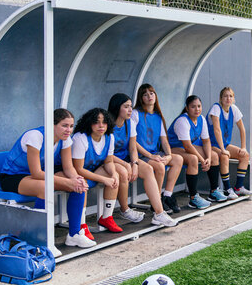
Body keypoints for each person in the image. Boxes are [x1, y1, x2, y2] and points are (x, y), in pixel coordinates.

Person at [0, 109, 94, 249]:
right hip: (13, 176)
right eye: (64, 125)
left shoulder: (65, 139)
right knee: (46, 187)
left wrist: (77, 179)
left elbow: (68, 168)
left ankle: (74, 235)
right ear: (52, 125)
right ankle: (37, 238)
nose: (68, 130)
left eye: (71, 126)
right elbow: (36, 173)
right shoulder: (35, 136)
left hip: (40, 176)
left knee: (79, 185)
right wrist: (68, 182)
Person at [108, 93, 178, 227]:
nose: (130, 110)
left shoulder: (129, 123)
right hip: (111, 160)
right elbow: (106, 153)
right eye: (126, 107)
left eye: (130, 106)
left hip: (127, 159)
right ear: (117, 108)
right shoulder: (108, 125)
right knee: (123, 171)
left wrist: (134, 164)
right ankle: (125, 209)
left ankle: (159, 213)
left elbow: (133, 148)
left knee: (148, 169)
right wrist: (126, 164)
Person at [167, 95, 227, 209]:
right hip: (173, 148)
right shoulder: (182, 121)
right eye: (193, 107)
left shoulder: (201, 119)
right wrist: (202, 160)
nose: (197, 109)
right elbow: (188, 146)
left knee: (214, 156)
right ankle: (193, 198)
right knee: (193, 159)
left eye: (199, 106)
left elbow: (206, 141)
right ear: (187, 108)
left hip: (186, 147)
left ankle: (214, 192)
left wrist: (208, 158)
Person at [132, 84, 184, 214]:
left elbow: (164, 139)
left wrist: (169, 155)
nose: (149, 96)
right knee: (160, 167)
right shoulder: (136, 113)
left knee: (178, 159)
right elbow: (131, 141)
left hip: (154, 154)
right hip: (140, 155)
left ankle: (167, 195)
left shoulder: (158, 116)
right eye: (145, 94)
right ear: (141, 98)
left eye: (151, 93)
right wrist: (150, 156)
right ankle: (157, 201)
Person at [72, 108, 122, 238]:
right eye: (97, 122)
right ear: (89, 123)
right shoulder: (80, 138)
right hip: (74, 172)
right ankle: (82, 225)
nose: (101, 126)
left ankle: (107, 217)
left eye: (104, 122)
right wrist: (104, 179)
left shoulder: (109, 136)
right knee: (82, 183)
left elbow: (109, 161)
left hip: (93, 170)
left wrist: (114, 174)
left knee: (114, 177)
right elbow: (78, 168)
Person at [206, 87, 252, 199]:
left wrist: (243, 147)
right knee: (224, 156)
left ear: (233, 98)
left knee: (245, 155)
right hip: (211, 145)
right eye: (225, 96)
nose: (228, 98)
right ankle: (227, 189)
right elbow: (217, 130)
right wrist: (222, 149)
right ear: (221, 98)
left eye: (230, 96)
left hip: (224, 145)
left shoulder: (233, 109)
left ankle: (238, 188)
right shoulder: (216, 108)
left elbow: (242, 129)